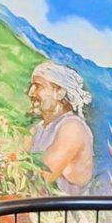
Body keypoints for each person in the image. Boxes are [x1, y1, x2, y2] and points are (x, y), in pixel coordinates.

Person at [24, 60, 95, 194]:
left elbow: (41, 179)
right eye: (31, 86)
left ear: (59, 93)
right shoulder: (36, 130)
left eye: (38, 86)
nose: (31, 93)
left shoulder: (72, 128)